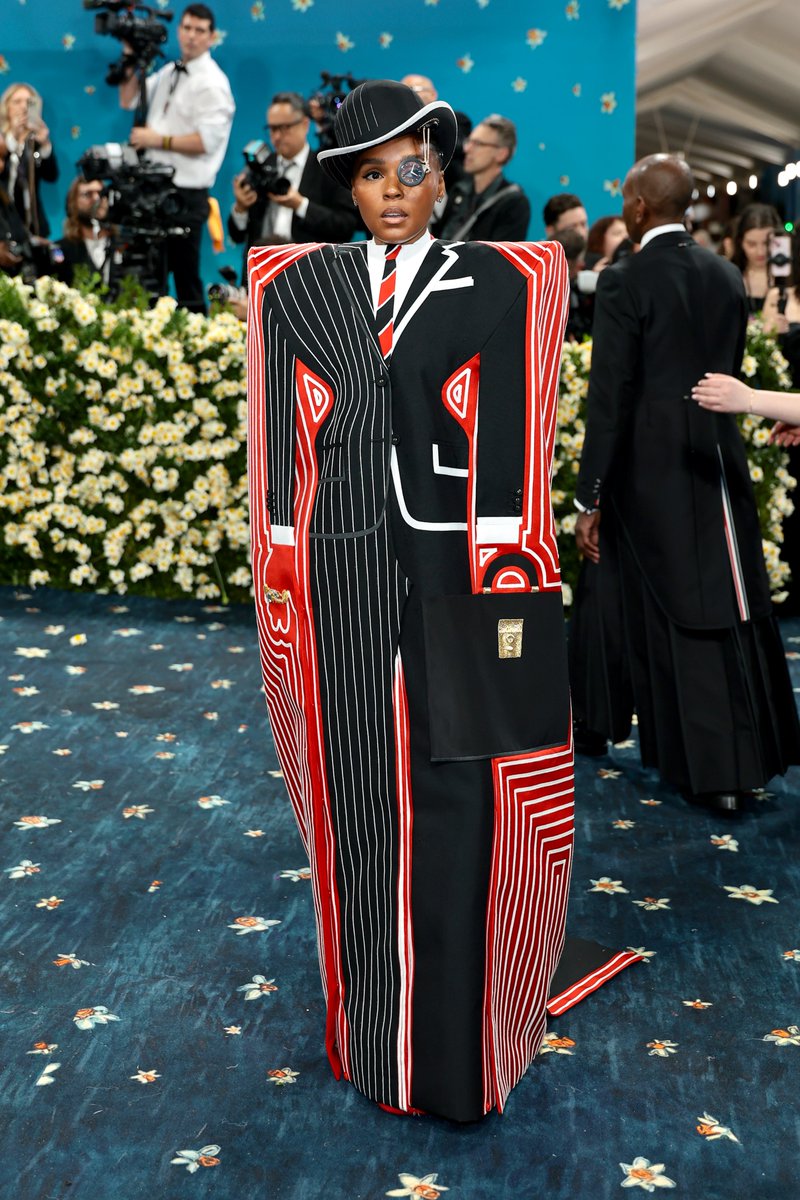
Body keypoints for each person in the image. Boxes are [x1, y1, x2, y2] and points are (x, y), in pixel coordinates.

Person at [247, 79, 635, 1124]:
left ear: (442, 168)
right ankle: (374, 1036)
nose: (388, 191)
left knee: (463, 797)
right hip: (337, 587)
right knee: (356, 803)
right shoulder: (296, 289)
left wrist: (511, 564)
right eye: (368, 173)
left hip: (456, 591)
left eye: (407, 168)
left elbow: (511, 445)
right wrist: (283, 571)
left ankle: (457, 1053)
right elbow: (280, 461)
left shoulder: (499, 282)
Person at [570, 153, 800, 812]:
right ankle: (618, 727)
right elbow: (726, 374)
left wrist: (590, 496)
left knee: (638, 588)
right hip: (716, 455)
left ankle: (604, 724)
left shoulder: (623, 280)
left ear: (638, 208)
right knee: (714, 596)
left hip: (647, 467)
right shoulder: (727, 273)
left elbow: (611, 396)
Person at [118, 3, 234, 312]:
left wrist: (157, 140)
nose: (191, 36)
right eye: (187, 28)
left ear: (211, 37)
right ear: (178, 30)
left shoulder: (213, 81)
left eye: (200, 30)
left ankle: (196, 351)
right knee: (148, 275)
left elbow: (206, 141)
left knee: (185, 277)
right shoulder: (169, 71)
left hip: (185, 194)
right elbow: (127, 98)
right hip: (152, 190)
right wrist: (131, 55)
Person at [227, 91, 357, 281]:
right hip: (261, 274)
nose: (277, 136)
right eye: (272, 129)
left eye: (285, 128)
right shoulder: (259, 167)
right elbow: (237, 236)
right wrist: (240, 208)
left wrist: (300, 205)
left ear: (305, 124)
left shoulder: (327, 168)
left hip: (312, 276)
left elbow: (346, 226)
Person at [434, 113, 529, 241]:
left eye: (477, 143)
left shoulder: (514, 204)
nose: (467, 149)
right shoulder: (458, 190)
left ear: (501, 154)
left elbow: (503, 258)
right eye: (469, 141)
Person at [0, 81, 59, 239]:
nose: (23, 107)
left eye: (29, 102)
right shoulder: (2, 139)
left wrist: (45, 144)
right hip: (4, 223)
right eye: (17, 102)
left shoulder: (35, 143)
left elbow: (51, 176)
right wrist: (12, 134)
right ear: (7, 107)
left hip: (33, 224)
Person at [56, 176, 112, 285]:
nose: (96, 198)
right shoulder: (62, 250)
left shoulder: (123, 246)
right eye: (87, 194)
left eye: (101, 193)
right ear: (73, 203)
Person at [730, 202, 781, 315]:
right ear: (740, 242)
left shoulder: (790, 277)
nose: (761, 251)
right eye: (752, 244)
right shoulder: (730, 276)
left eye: (767, 243)